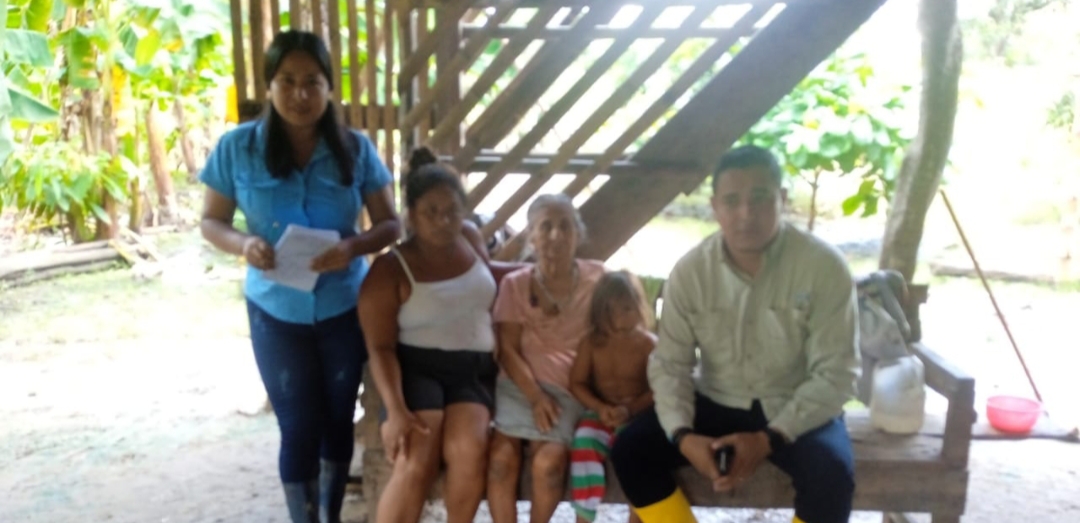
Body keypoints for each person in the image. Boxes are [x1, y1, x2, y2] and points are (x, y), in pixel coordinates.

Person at [198, 30, 400, 523]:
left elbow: (391, 225)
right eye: (286, 81)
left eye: (312, 81)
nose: (300, 94)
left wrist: (352, 246)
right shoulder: (237, 148)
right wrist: (244, 245)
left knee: (337, 419)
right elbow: (211, 222)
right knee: (298, 425)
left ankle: (329, 515)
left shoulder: (355, 149)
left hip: (342, 306)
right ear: (269, 85)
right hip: (275, 310)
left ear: (330, 87)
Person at [609, 145, 860, 523]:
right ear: (715, 207)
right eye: (732, 201)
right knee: (631, 450)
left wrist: (769, 439)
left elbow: (837, 373)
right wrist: (683, 436)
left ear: (782, 199)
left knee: (833, 474)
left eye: (760, 198)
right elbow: (670, 365)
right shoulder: (691, 272)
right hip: (716, 398)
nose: (746, 213)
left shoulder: (823, 267)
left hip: (794, 404)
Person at [358, 148, 520, 523]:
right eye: (431, 212)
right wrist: (396, 410)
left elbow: (488, 279)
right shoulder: (389, 270)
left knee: (469, 450)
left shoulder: (470, 238)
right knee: (417, 454)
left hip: (473, 370)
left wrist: (541, 274)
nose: (443, 221)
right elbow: (380, 348)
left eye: (452, 211)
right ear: (412, 215)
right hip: (417, 368)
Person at [486, 194, 605, 523]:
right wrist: (535, 396)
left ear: (578, 235)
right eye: (546, 226)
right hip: (518, 386)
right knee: (500, 462)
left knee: (548, 464)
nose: (556, 235)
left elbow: (626, 323)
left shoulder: (598, 279)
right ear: (531, 237)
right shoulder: (515, 285)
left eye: (565, 226)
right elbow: (507, 349)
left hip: (569, 390)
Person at [567, 270, 657, 523]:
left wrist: (631, 410)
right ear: (599, 313)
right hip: (600, 414)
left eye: (627, 309)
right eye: (611, 311)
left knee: (639, 452)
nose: (619, 318)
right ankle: (584, 516)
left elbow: (658, 390)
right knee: (583, 441)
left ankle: (636, 517)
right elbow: (577, 383)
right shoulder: (591, 343)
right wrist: (599, 407)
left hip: (637, 416)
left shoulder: (648, 345)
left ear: (639, 307)